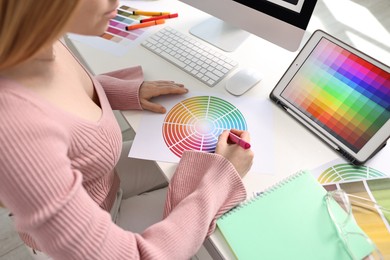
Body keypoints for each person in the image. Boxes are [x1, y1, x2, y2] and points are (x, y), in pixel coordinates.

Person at [0, 0, 254, 259]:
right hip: (98, 235)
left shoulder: (38, 39)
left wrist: (121, 91)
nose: (117, 2)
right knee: (231, 222)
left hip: (103, 185)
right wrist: (221, 179)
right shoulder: (13, 130)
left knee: (199, 154)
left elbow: (64, 99)